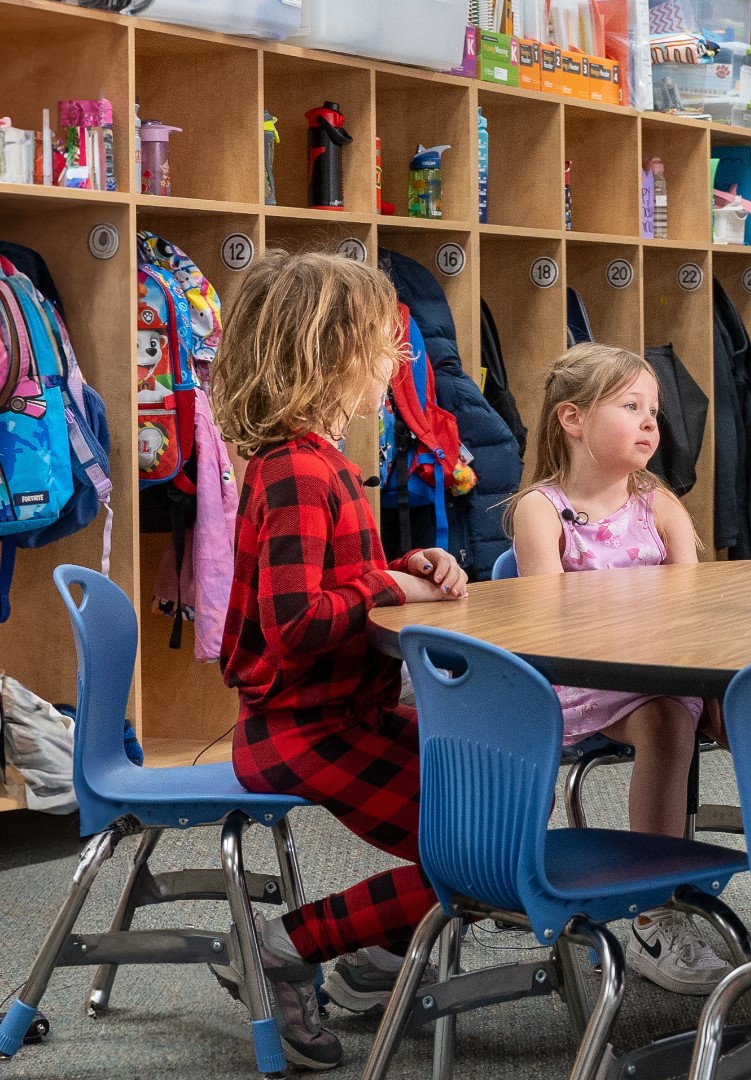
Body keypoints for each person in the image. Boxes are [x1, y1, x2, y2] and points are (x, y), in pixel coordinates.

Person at [209, 251, 469, 1070]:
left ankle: (373, 959)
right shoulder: (295, 469)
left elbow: (336, 584)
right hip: (300, 727)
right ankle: (289, 945)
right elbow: (296, 623)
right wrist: (383, 583)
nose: (395, 360)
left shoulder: (322, 462)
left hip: (342, 715)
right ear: (326, 355)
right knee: (474, 852)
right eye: (380, 344)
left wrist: (409, 566)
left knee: (488, 803)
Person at [506, 343, 731, 995]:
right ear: (572, 420)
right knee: (666, 722)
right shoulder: (540, 510)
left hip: (663, 666)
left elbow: (695, 609)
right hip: (580, 679)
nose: (650, 423)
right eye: (630, 406)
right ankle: (657, 910)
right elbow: (549, 624)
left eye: (654, 411)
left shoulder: (659, 505)